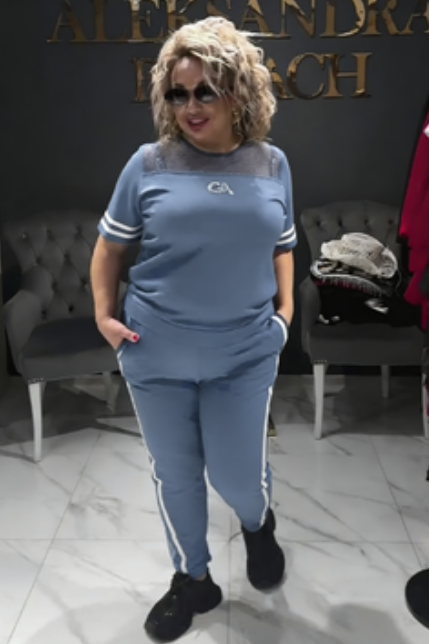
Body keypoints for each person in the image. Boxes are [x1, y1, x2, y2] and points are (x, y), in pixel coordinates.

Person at [90, 16, 297, 642]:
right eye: (177, 93)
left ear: (238, 91)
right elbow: (109, 248)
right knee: (176, 475)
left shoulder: (271, 164)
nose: (190, 106)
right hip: (156, 351)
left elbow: (283, 246)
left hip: (244, 351)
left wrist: (285, 315)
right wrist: (104, 317)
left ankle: (257, 524)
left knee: (237, 476)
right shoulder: (148, 163)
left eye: (206, 90)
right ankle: (193, 579)